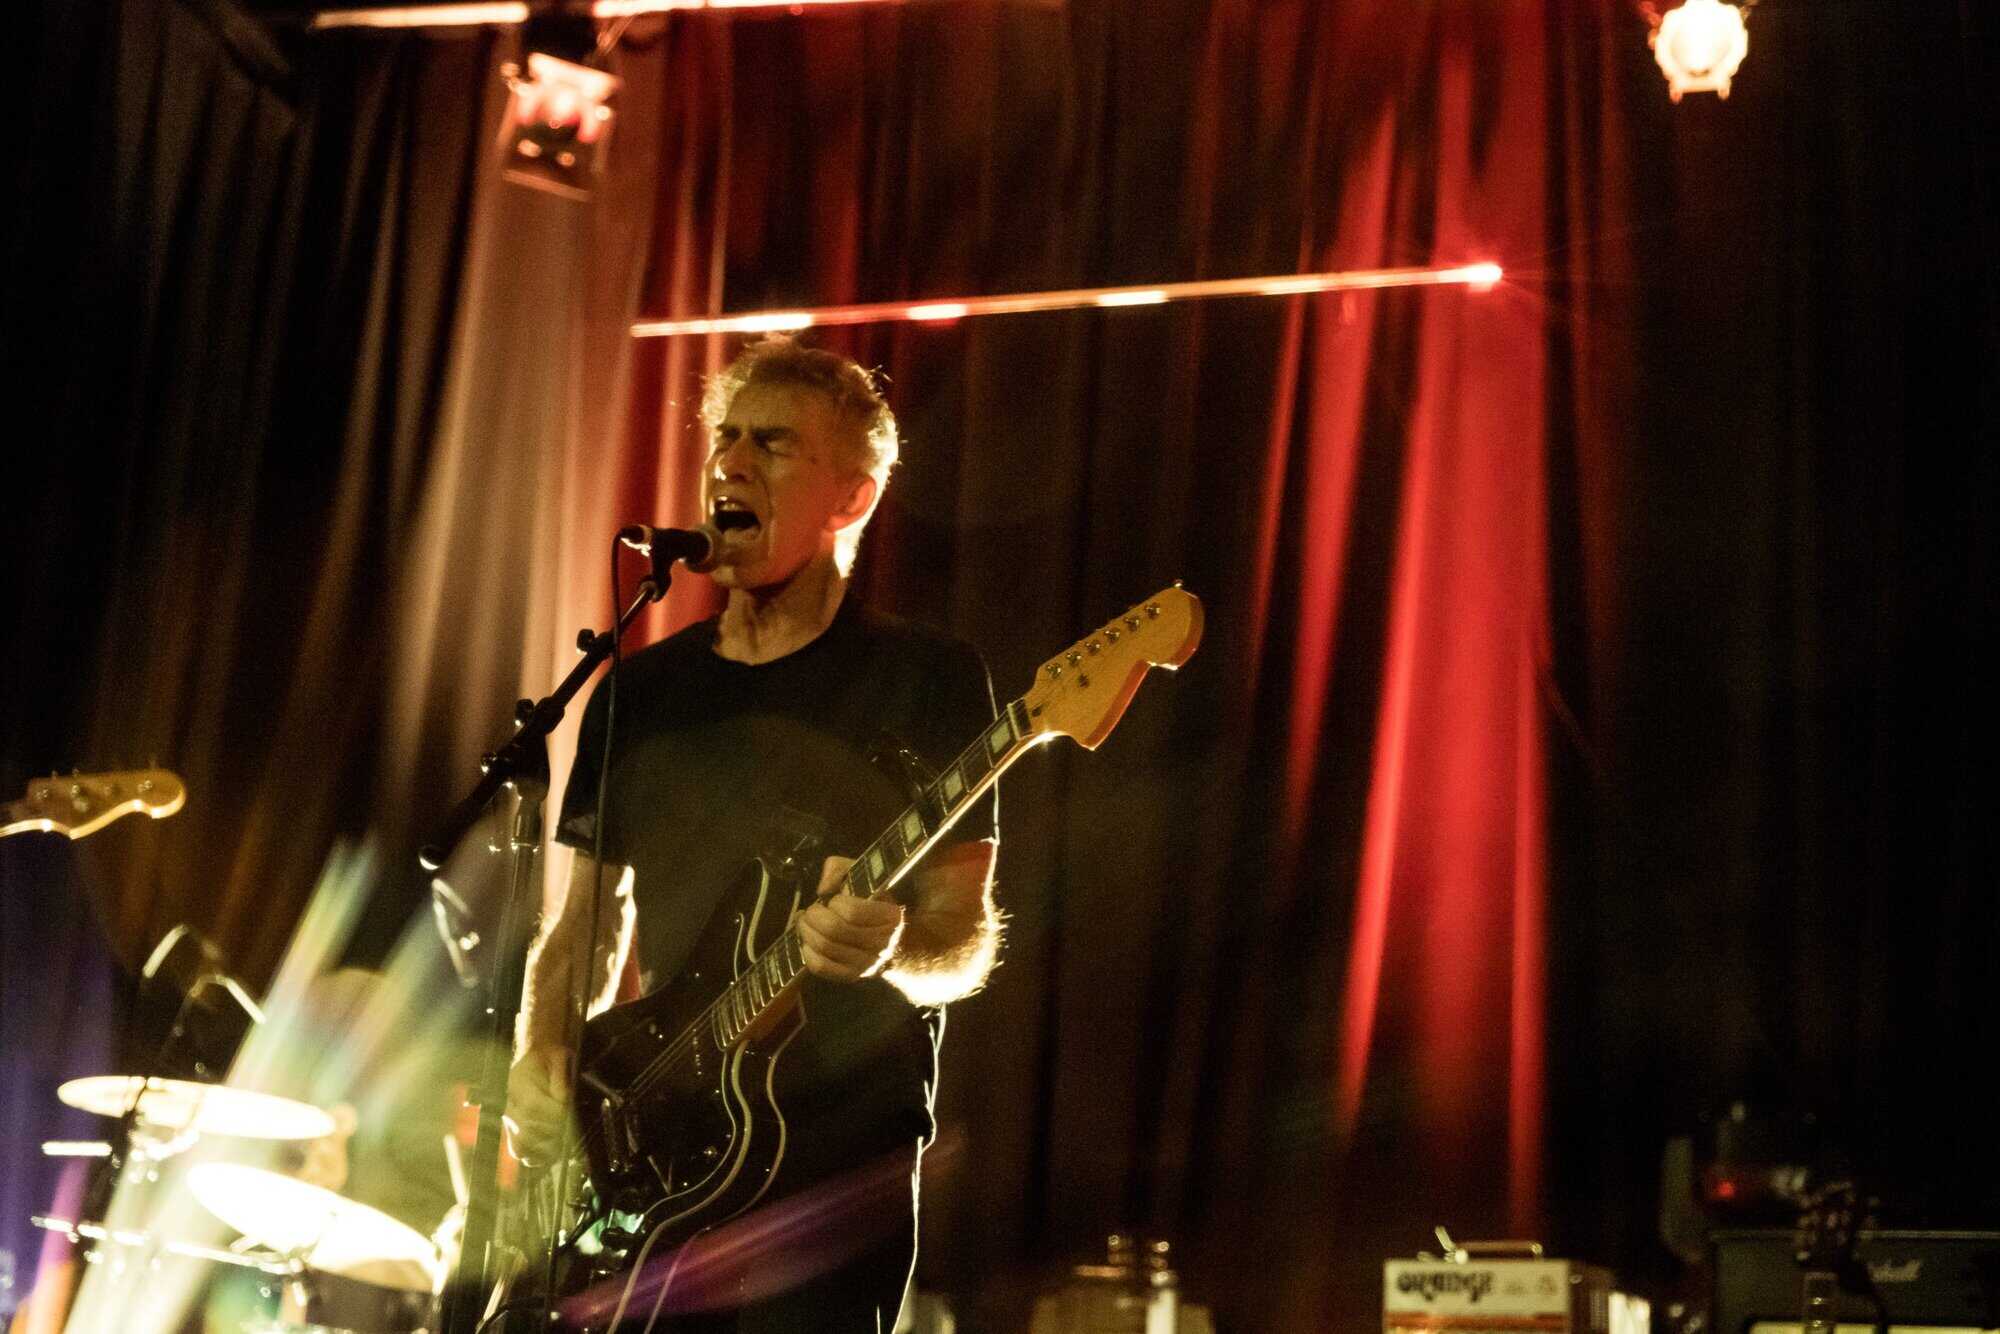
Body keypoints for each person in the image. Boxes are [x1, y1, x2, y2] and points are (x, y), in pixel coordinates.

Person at [506, 338, 1002, 1331]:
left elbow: (962, 938)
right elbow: (586, 929)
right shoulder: (641, 690)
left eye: (770, 444)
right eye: (724, 438)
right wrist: (543, 1051)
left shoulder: (927, 680)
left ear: (850, 498)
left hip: (830, 1177)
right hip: (665, 1156)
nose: (729, 462)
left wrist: (893, 948)